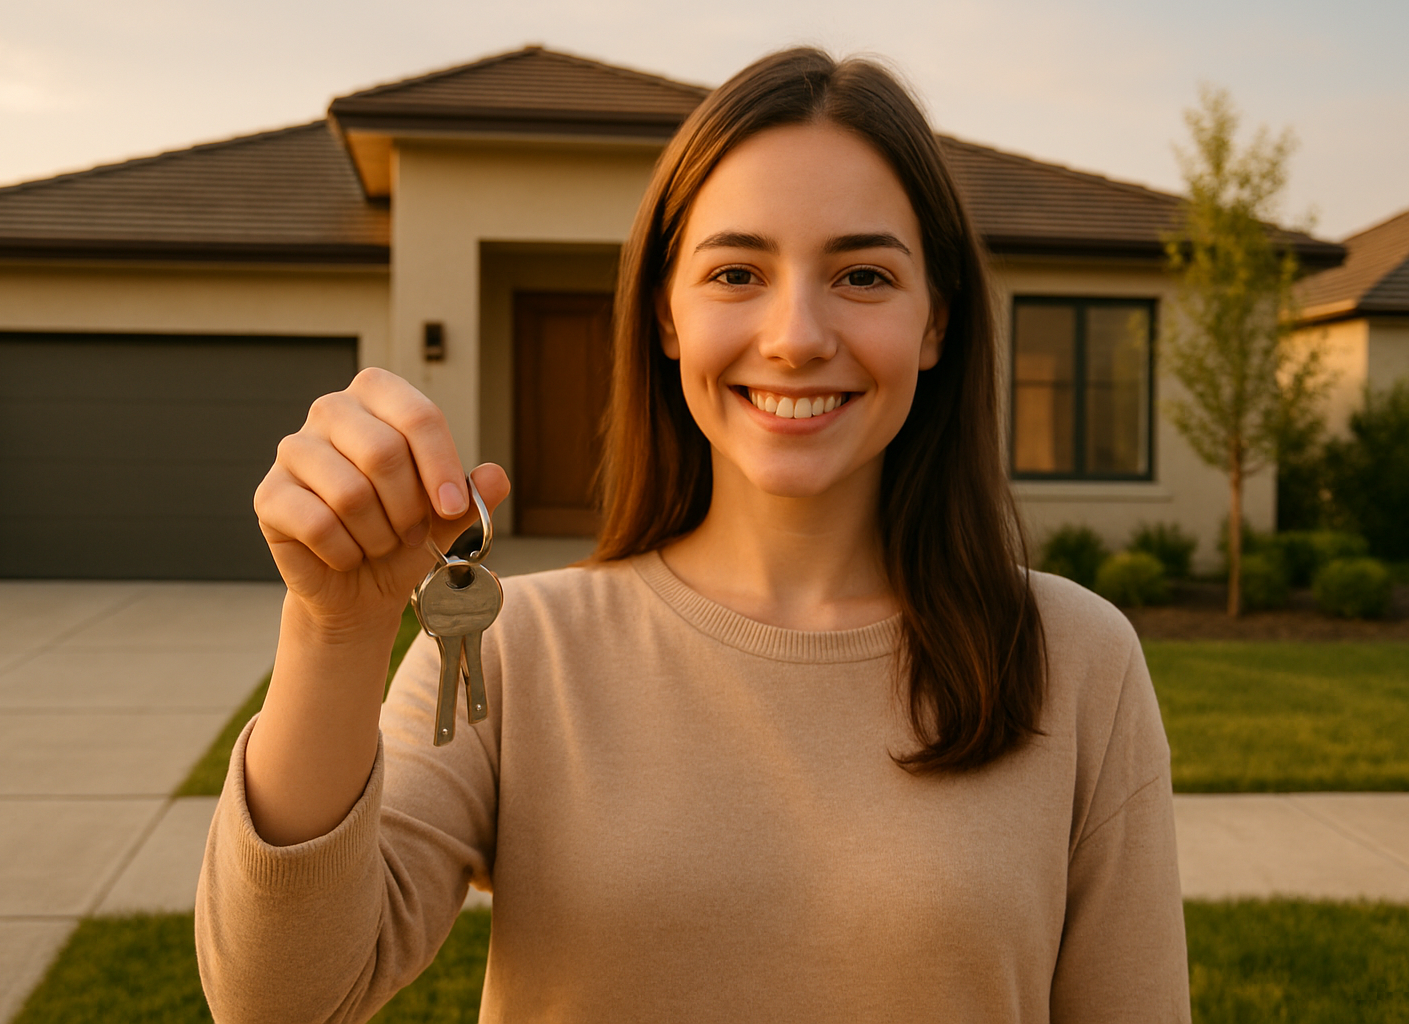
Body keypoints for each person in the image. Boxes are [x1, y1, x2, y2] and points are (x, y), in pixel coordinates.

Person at [196, 48, 1191, 1023]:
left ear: (936, 324)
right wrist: (332, 629)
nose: (796, 336)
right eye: (737, 272)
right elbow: (279, 1001)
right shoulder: (516, 651)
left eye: (862, 275)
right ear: (665, 315)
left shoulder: (1076, 660)